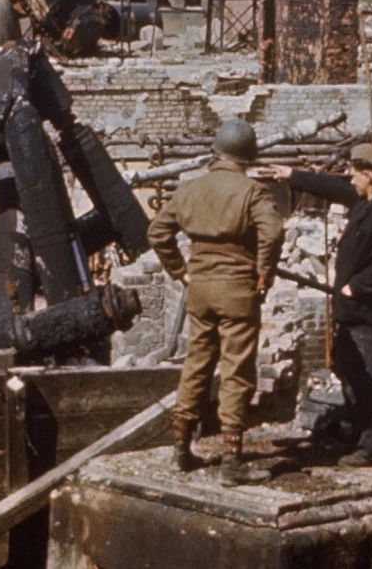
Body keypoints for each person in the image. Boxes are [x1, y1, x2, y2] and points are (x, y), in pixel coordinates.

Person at [147, 118, 284, 485]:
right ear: (247, 157)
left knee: (196, 364)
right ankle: (231, 461)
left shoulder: (190, 188)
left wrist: (180, 271)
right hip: (238, 289)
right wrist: (263, 273)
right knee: (237, 372)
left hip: (201, 289)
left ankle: (180, 449)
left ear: (217, 151)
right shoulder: (253, 192)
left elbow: (157, 232)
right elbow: (273, 233)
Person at [267, 143, 372, 466]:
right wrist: (292, 176)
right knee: (352, 377)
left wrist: (354, 286)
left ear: (368, 175)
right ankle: (361, 437)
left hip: (366, 313)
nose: (350, 179)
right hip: (349, 310)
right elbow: (332, 187)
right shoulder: (363, 200)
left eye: (354, 174)